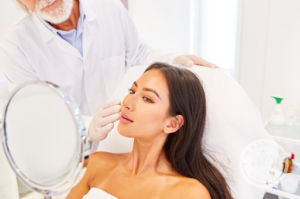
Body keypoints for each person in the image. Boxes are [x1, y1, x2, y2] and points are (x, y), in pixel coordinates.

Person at [0, 0, 218, 147]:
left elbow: (138, 53)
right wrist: (88, 127)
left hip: (124, 141)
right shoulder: (16, 46)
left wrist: (173, 61)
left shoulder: (108, 7)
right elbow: (39, 115)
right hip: (69, 154)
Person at [66, 63, 233, 199]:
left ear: (173, 124)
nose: (128, 103)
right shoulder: (96, 164)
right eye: (132, 91)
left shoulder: (190, 193)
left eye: (147, 98)